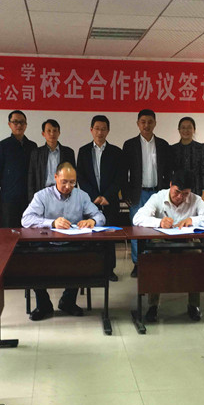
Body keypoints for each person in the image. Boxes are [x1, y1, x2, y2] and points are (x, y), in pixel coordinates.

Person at [133, 169, 204, 322]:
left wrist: (193, 220)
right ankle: (153, 305)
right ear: (170, 185)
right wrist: (159, 222)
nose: (180, 197)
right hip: (161, 241)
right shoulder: (158, 197)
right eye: (177, 192)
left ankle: (193, 305)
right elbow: (137, 218)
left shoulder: (195, 199)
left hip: (187, 241)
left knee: (196, 257)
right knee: (155, 258)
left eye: (185, 194)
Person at [21, 162, 105, 321]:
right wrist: (51, 223)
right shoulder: (42, 196)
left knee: (83, 257)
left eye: (72, 182)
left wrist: (92, 221)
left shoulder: (81, 196)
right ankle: (43, 304)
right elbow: (26, 219)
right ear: (55, 177)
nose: (68, 186)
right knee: (32, 261)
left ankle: (68, 301)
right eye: (64, 182)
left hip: (72, 243)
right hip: (46, 243)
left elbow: (100, 216)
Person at [122, 109, 171, 278]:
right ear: (138, 124)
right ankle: (138, 263)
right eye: (143, 122)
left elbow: (168, 171)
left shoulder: (163, 145)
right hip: (138, 194)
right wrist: (126, 195)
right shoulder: (130, 145)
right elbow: (124, 173)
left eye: (150, 122)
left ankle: (153, 261)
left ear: (155, 123)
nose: (146, 125)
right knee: (137, 231)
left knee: (157, 229)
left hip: (158, 193)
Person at [77, 115, 125, 281]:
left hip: (110, 201)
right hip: (90, 202)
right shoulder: (83, 151)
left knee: (109, 236)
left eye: (103, 129)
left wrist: (107, 196)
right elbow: (81, 177)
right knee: (91, 236)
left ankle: (109, 270)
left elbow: (120, 177)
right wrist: (94, 197)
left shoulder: (116, 152)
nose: (100, 132)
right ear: (91, 130)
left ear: (108, 131)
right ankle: (93, 268)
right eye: (97, 128)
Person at [0, 110, 38, 228]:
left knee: (29, 228)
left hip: (29, 196)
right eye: (15, 122)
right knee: (9, 229)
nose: (19, 125)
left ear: (26, 125)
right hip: (9, 196)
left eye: (22, 122)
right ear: (9, 124)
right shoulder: (2, 146)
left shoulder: (32, 146)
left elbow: (35, 170)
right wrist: (9, 184)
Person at [27, 119, 76, 202]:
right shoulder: (36, 153)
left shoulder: (68, 152)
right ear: (43, 134)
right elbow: (31, 178)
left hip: (63, 194)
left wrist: (72, 198)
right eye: (49, 131)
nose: (52, 134)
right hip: (43, 194)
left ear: (59, 133)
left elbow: (73, 176)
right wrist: (32, 200)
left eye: (55, 131)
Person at [170, 117, 204, 203]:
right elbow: (170, 173)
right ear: (179, 130)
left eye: (189, 127)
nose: (186, 130)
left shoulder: (200, 148)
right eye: (183, 127)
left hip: (197, 190)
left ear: (194, 130)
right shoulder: (173, 149)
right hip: (179, 191)